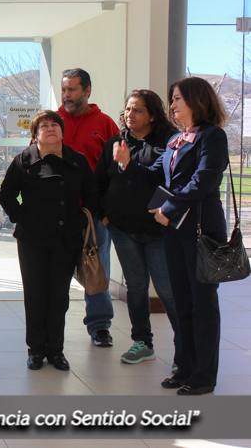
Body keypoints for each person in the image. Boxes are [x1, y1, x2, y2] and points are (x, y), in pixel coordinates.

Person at [114, 76, 228, 396]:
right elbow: (155, 176)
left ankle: (203, 377)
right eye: (172, 99)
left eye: (177, 99)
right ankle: (185, 368)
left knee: (203, 305)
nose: (172, 105)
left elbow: (204, 180)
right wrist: (126, 164)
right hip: (175, 232)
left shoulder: (212, 136)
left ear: (196, 100)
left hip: (201, 233)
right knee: (183, 303)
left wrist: (170, 207)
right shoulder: (178, 139)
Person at [0, 110, 96, 371]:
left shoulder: (77, 160)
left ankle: (56, 350)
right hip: (32, 239)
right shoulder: (23, 160)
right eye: (43, 126)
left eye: (55, 124)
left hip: (67, 238)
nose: (50, 128)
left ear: (62, 132)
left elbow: (92, 194)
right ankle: (36, 349)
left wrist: (81, 220)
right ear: (35, 134)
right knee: (36, 295)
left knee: (59, 296)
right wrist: (22, 217)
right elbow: (6, 195)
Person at [95, 90, 179, 365]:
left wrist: (128, 164)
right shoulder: (115, 143)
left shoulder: (170, 142)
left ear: (153, 115)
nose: (130, 115)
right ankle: (142, 342)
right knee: (136, 287)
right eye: (128, 109)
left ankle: (185, 348)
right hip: (123, 231)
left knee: (167, 290)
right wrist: (105, 217)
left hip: (158, 232)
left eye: (138, 110)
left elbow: (163, 181)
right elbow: (99, 183)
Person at [58, 68, 118, 347]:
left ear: (87, 91)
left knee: (96, 269)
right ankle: (52, 327)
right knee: (56, 271)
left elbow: (117, 171)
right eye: (63, 89)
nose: (66, 95)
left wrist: (105, 213)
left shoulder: (105, 124)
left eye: (72, 89)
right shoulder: (52, 121)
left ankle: (100, 326)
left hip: (93, 215)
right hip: (57, 214)